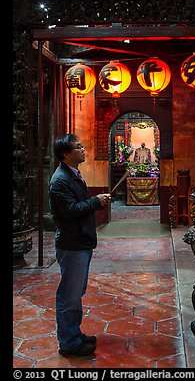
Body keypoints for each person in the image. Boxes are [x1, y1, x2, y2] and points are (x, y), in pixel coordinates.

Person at [49, 133, 111, 356]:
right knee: (69, 295)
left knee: (76, 292)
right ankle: (68, 343)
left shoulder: (72, 174)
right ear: (65, 153)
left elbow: (78, 204)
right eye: (78, 147)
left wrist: (97, 200)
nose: (83, 149)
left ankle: (74, 333)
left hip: (80, 242)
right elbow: (70, 211)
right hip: (71, 244)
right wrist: (96, 202)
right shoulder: (60, 180)